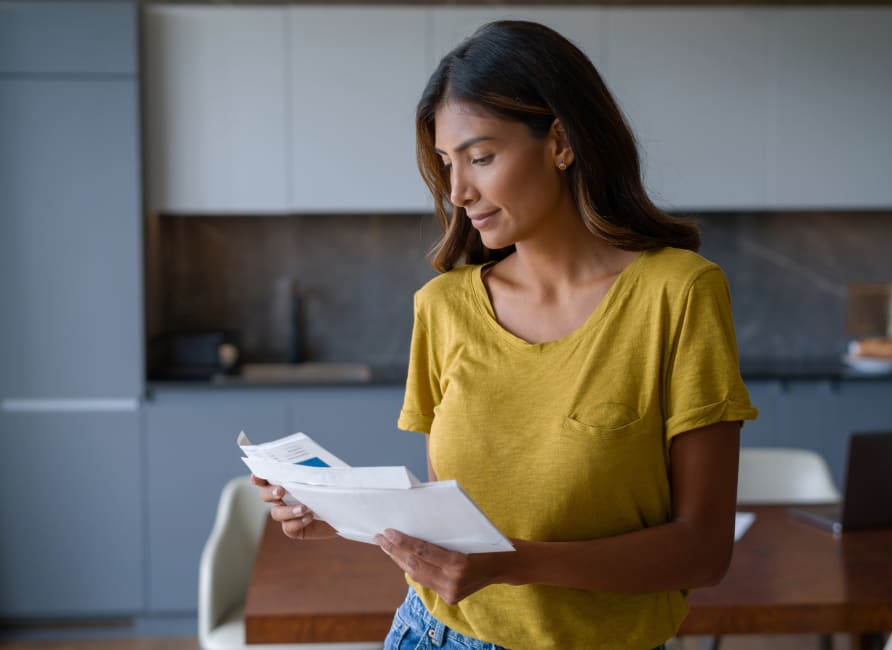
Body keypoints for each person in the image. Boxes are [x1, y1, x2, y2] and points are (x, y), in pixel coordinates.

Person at [254, 19, 757, 650]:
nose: (458, 190)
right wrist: (341, 514)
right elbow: (450, 522)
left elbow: (703, 552)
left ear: (562, 142)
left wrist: (516, 563)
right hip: (434, 635)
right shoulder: (443, 308)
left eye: (481, 157)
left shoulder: (679, 294)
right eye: (445, 163)